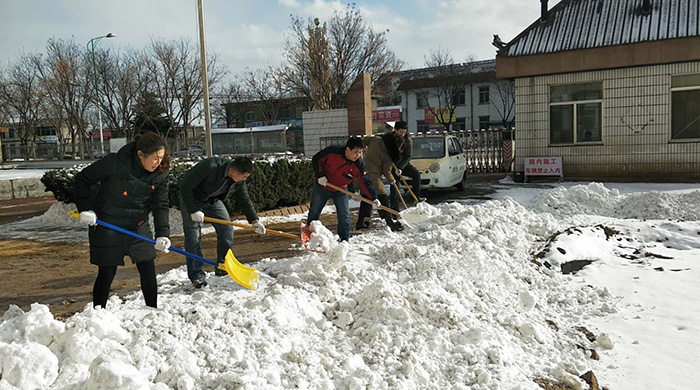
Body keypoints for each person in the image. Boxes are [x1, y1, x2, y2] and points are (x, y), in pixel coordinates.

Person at [75, 132, 171, 309]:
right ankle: (97, 315)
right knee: (107, 271)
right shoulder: (115, 163)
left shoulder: (160, 173)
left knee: (148, 268)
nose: (158, 163)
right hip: (108, 225)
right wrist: (85, 208)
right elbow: (82, 179)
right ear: (140, 154)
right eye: (154, 158)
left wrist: (163, 234)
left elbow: (160, 205)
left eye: (161, 158)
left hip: (138, 226)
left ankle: (153, 311)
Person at [179, 156, 265, 288]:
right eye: (245, 176)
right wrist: (193, 210)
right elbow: (185, 187)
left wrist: (254, 220)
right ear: (234, 172)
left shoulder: (238, 180)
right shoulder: (210, 166)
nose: (245, 179)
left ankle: (222, 266)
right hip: (191, 199)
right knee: (193, 236)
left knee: (227, 228)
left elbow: (244, 198)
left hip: (212, 201)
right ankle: (197, 276)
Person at [308, 137, 379, 242]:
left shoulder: (359, 165)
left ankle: (344, 240)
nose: (358, 155)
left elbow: (366, 182)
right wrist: (320, 175)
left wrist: (373, 198)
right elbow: (316, 159)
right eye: (355, 152)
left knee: (344, 216)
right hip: (322, 186)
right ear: (347, 149)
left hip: (341, 190)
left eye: (360, 152)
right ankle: (310, 237)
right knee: (314, 211)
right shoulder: (332, 151)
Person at [355, 132, 405, 232]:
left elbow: (363, 140)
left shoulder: (376, 139)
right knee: (383, 196)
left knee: (366, 197)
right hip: (373, 177)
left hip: (361, 173)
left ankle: (361, 222)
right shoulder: (388, 155)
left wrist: (359, 154)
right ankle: (389, 223)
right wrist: (392, 180)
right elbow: (386, 172)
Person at [390, 121, 424, 210]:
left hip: (403, 165)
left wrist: (401, 167)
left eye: (404, 132)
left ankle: (416, 197)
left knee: (416, 174)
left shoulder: (408, 140)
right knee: (395, 186)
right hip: (392, 165)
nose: (402, 134)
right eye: (400, 132)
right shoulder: (390, 139)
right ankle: (395, 208)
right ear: (395, 130)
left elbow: (408, 156)